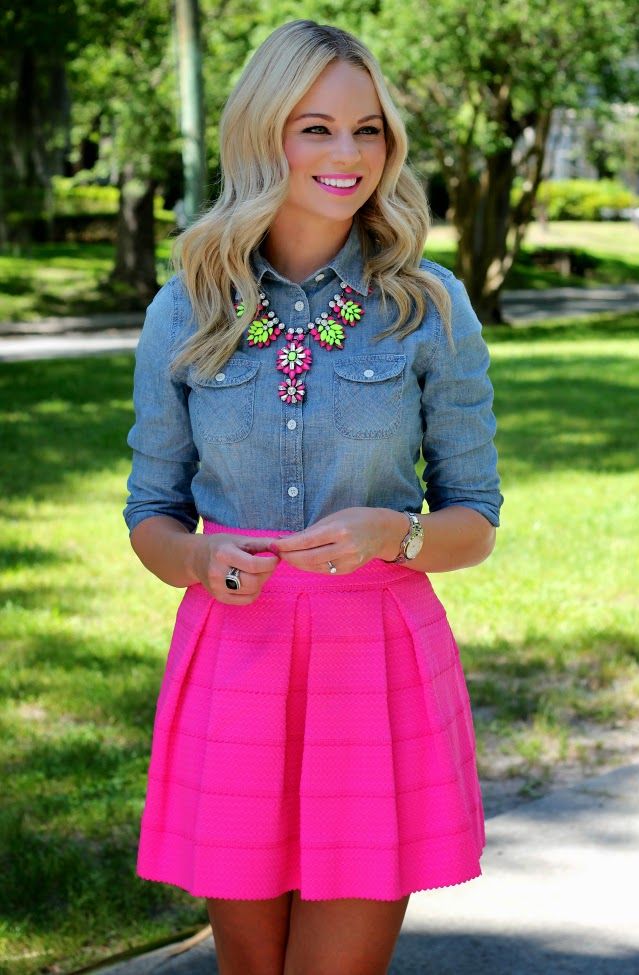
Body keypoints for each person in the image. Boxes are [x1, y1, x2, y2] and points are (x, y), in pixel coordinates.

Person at [123, 18, 503, 975]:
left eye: (368, 130)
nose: (349, 155)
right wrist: (199, 559)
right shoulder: (187, 305)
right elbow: (151, 511)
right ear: (264, 134)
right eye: (316, 127)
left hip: (374, 666)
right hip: (236, 664)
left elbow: (476, 517)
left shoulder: (430, 304)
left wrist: (397, 535)